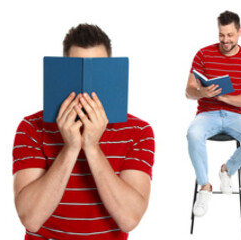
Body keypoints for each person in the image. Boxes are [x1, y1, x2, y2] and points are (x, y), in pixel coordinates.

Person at [12, 24, 154, 240]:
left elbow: (129, 219)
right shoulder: (31, 127)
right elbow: (31, 219)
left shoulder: (138, 131)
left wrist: (92, 147)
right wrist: (70, 149)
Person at [186, 10, 241, 217]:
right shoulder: (203, 54)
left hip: (235, 116)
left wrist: (222, 97)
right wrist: (202, 92)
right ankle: (205, 186)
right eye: (221, 35)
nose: (225, 40)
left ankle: (227, 170)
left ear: (239, 32)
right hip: (206, 114)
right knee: (193, 134)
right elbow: (188, 91)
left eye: (230, 35)